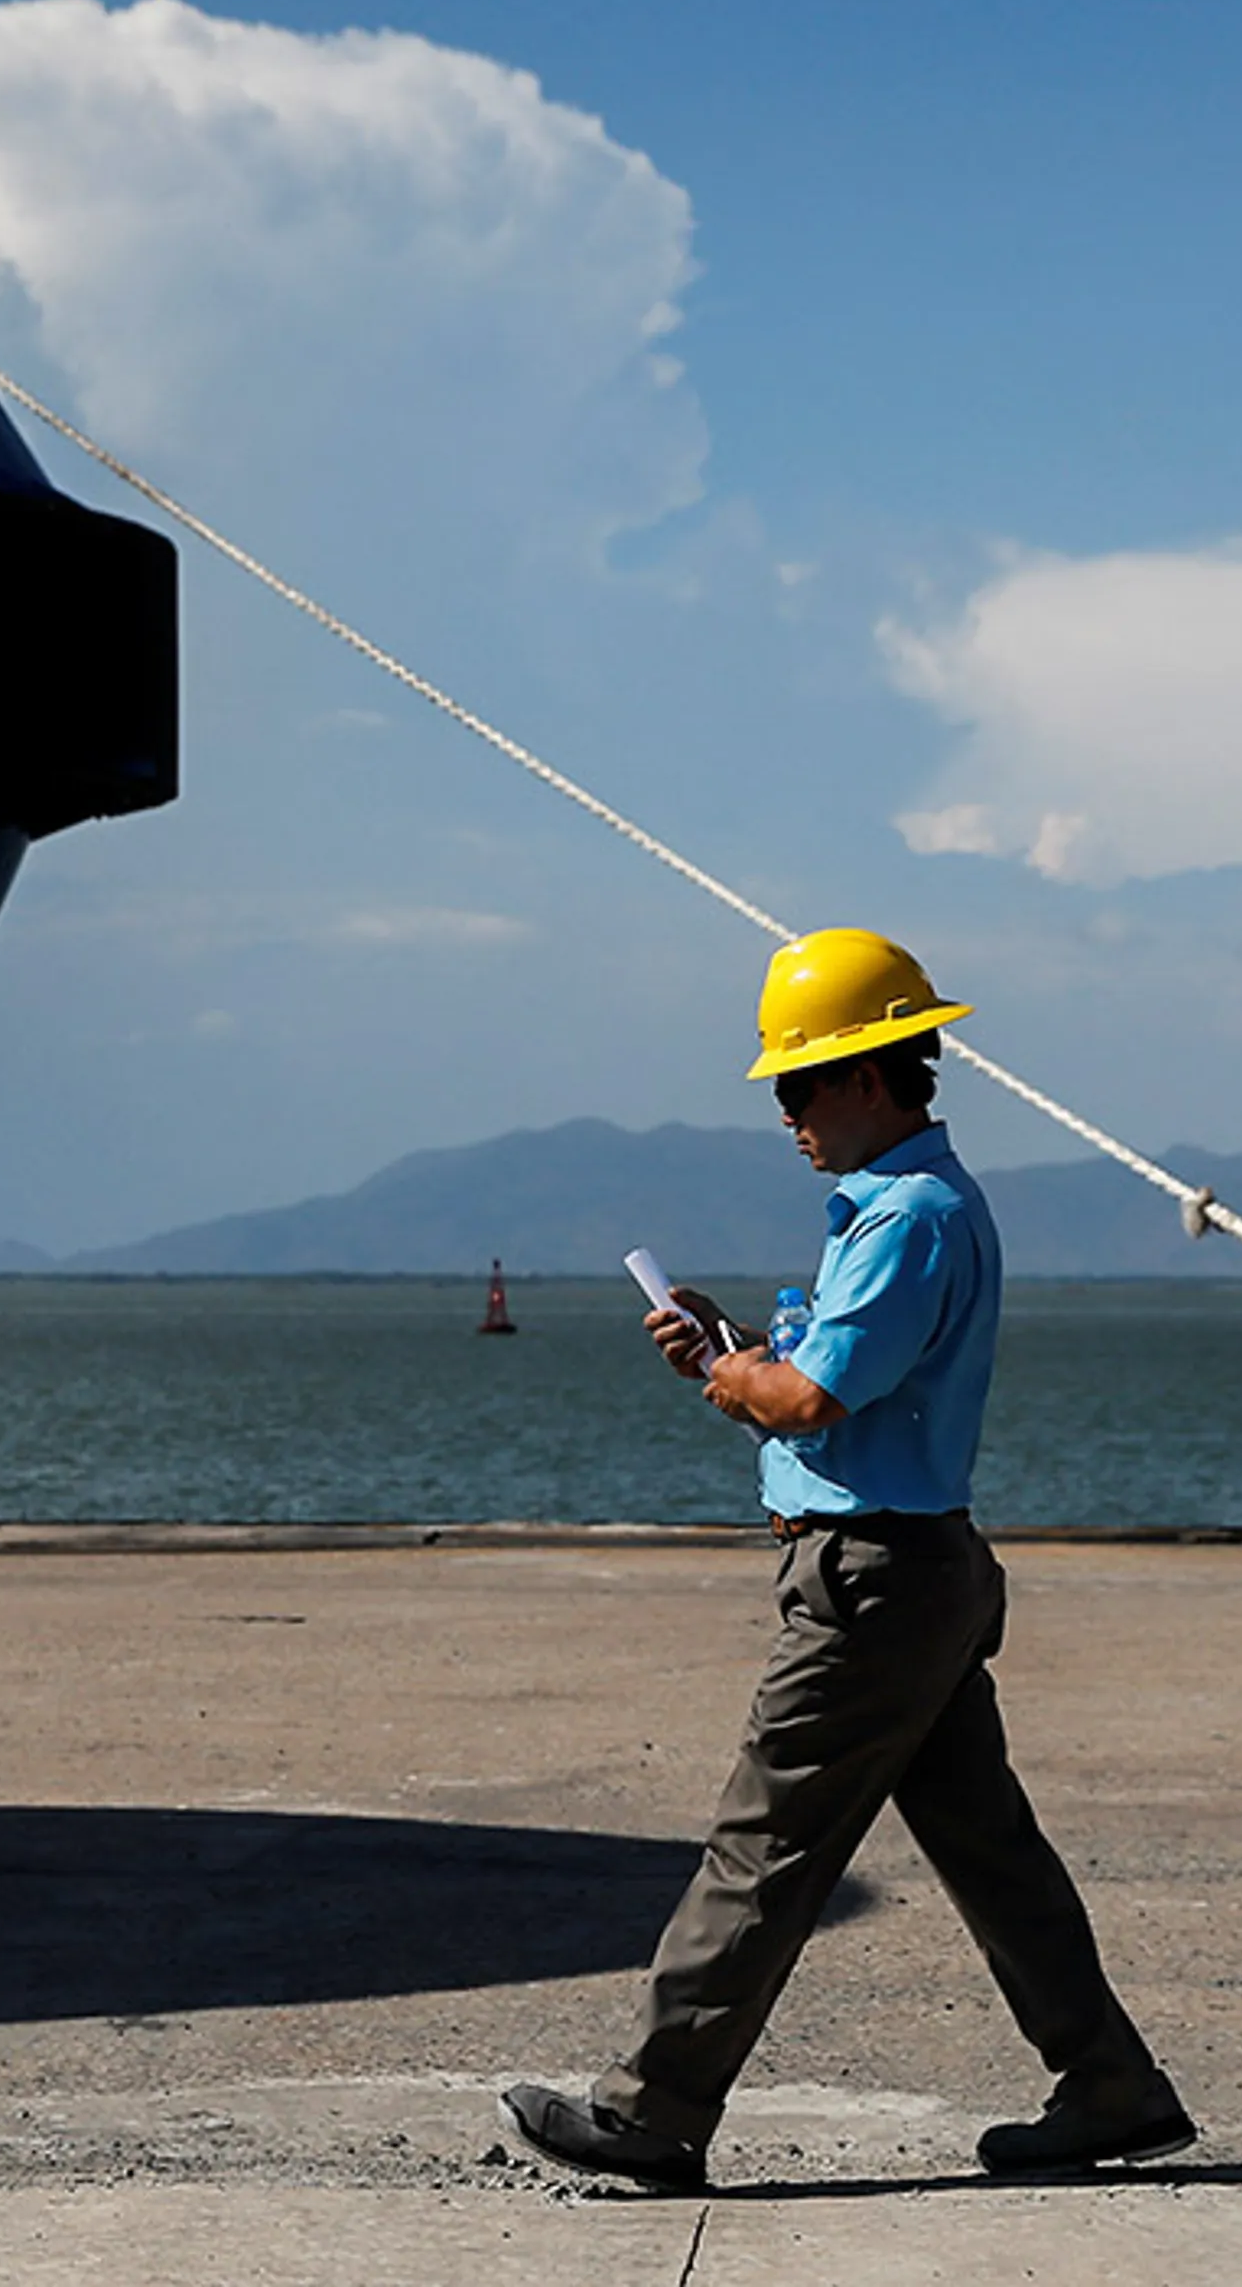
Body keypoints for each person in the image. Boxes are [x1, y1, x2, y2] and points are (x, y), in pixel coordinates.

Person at [501, 927, 1192, 2193]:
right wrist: (740, 1345)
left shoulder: (908, 1218)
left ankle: (655, 2110)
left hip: (872, 1584)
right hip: (915, 1570)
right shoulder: (905, 1211)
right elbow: (846, 1382)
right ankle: (1110, 2085)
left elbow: (813, 1401)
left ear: (872, 1073)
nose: (783, 1111)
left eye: (798, 1082)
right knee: (988, 1846)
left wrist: (726, 1371)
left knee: (764, 1845)